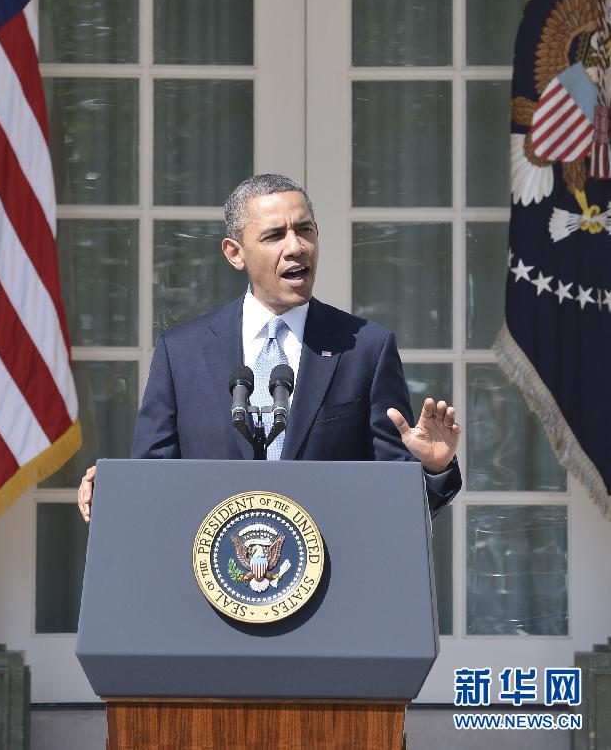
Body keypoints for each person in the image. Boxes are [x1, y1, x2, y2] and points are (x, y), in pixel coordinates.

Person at [78, 174, 461, 522]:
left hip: (331, 584)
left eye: (305, 230)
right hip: (213, 583)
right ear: (234, 253)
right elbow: (153, 480)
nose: (296, 247)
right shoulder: (181, 353)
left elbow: (396, 499)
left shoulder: (365, 348)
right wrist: (116, 493)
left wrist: (433, 468)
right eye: (274, 235)